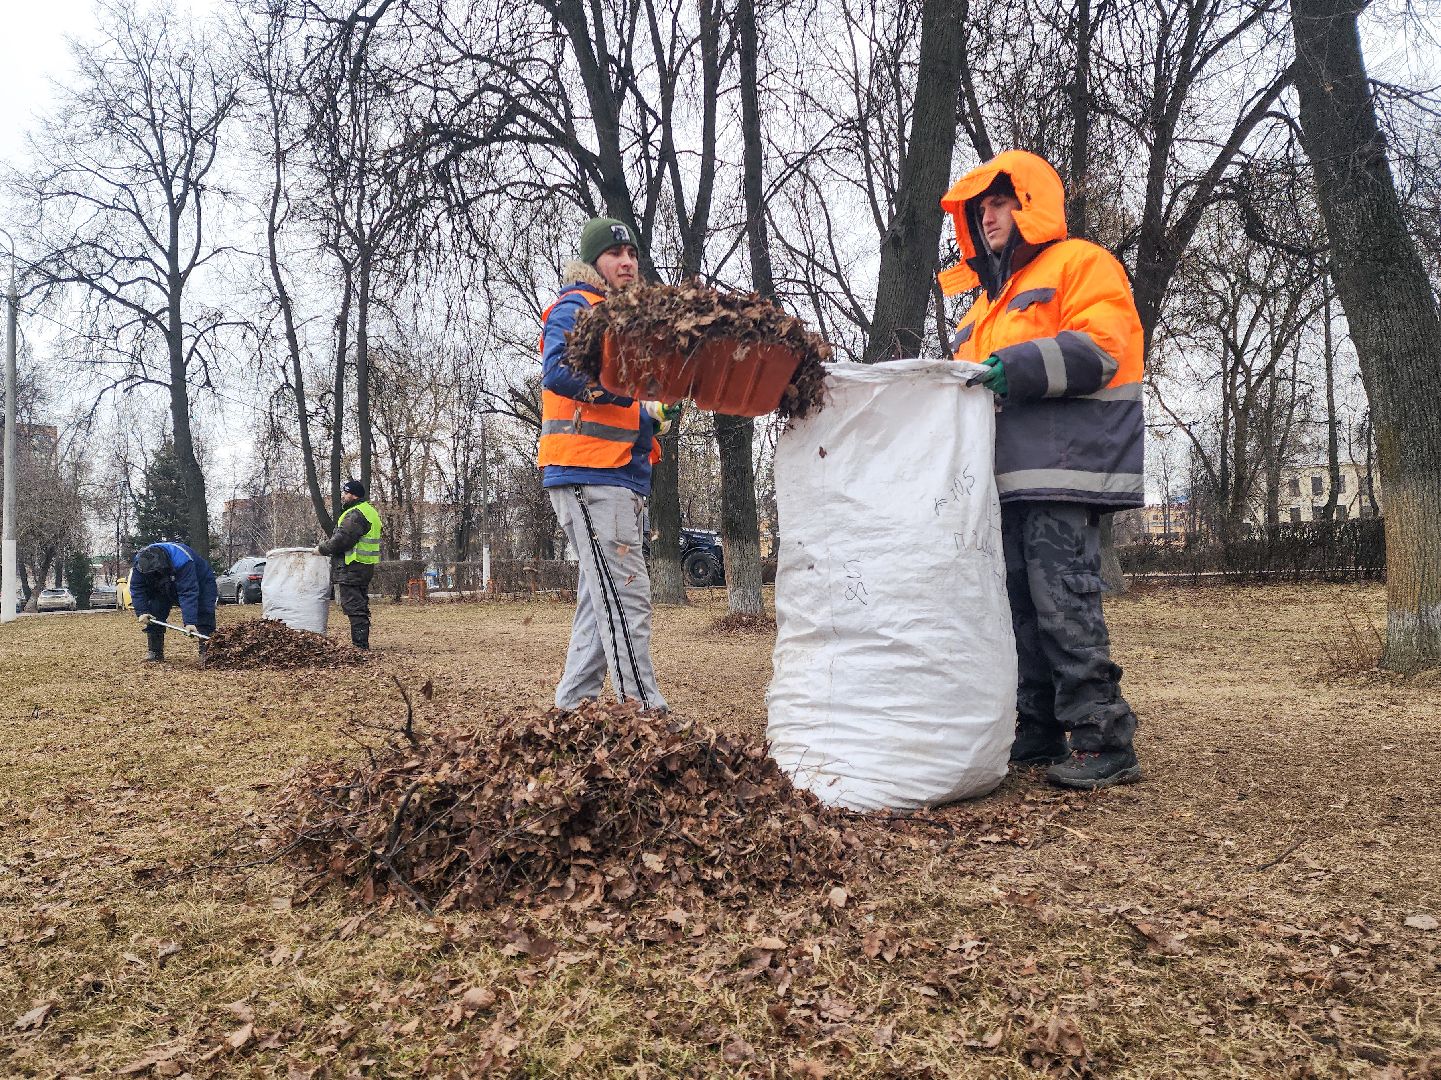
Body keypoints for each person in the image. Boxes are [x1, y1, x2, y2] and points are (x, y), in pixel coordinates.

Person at [939, 150, 1145, 790]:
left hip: (1061, 469)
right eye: (980, 209)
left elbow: (1105, 346)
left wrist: (1019, 368)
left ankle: (1103, 739)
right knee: (1017, 610)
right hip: (1003, 480)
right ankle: (1036, 730)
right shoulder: (982, 305)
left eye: (1000, 203)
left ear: (1028, 205)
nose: (989, 216)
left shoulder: (1080, 263)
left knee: (1063, 606)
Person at [538, 216, 678, 712]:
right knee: (627, 596)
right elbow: (556, 370)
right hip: (591, 474)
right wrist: (623, 398)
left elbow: (622, 399)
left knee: (599, 607)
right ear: (594, 261)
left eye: (632, 254)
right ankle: (646, 712)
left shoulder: (621, 320)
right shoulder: (579, 306)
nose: (627, 262)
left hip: (618, 475)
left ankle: (571, 710)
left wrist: (649, 414)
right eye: (615, 253)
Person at [317, 480, 382, 649]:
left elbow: (342, 540)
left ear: (353, 495)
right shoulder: (370, 511)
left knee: (354, 606)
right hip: (365, 566)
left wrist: (322, 549)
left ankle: (360, 646)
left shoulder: (355, 513)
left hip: (352, 567)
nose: (344, 496)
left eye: (346, 493)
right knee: (359, 605)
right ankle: (361, 643)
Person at [130, 541, 218, 663]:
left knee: (204, 611)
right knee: (155, 610)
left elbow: (187, 592)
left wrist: (190, 622)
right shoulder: (140, 563)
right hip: (163, 583)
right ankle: (155, 651)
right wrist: (142, 611)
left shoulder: (183, 560)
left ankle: (207, 653)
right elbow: (137, 588)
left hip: (201, 581)